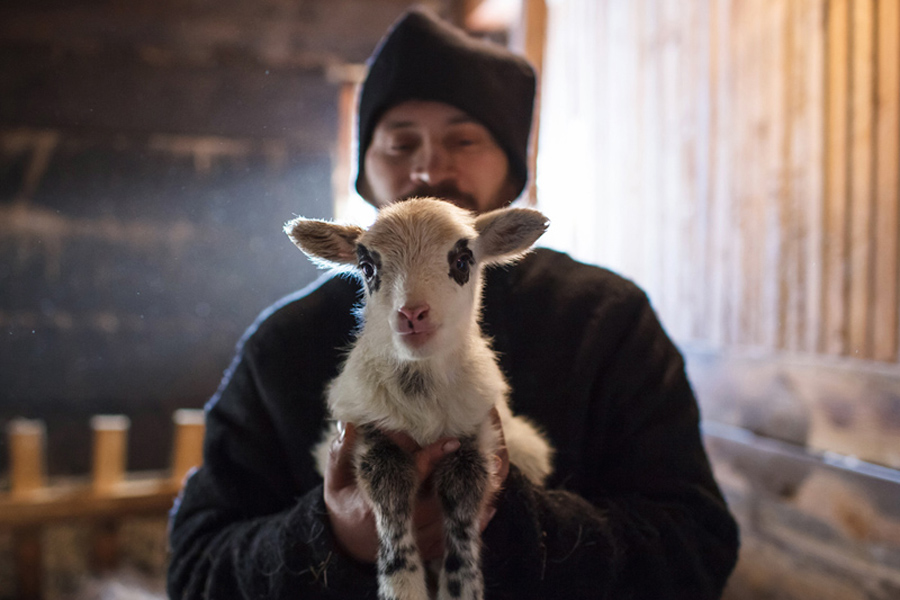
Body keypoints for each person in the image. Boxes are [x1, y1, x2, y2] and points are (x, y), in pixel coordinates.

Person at [166, 7, 739, 599]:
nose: (428, 167)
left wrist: (513, 524)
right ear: (365, 166)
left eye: (464, 139)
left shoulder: (606, 321)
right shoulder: (284, 345)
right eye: (399, 141)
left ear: (513, 170)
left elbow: (696, 545)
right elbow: (195, 570)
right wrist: (334, 538)